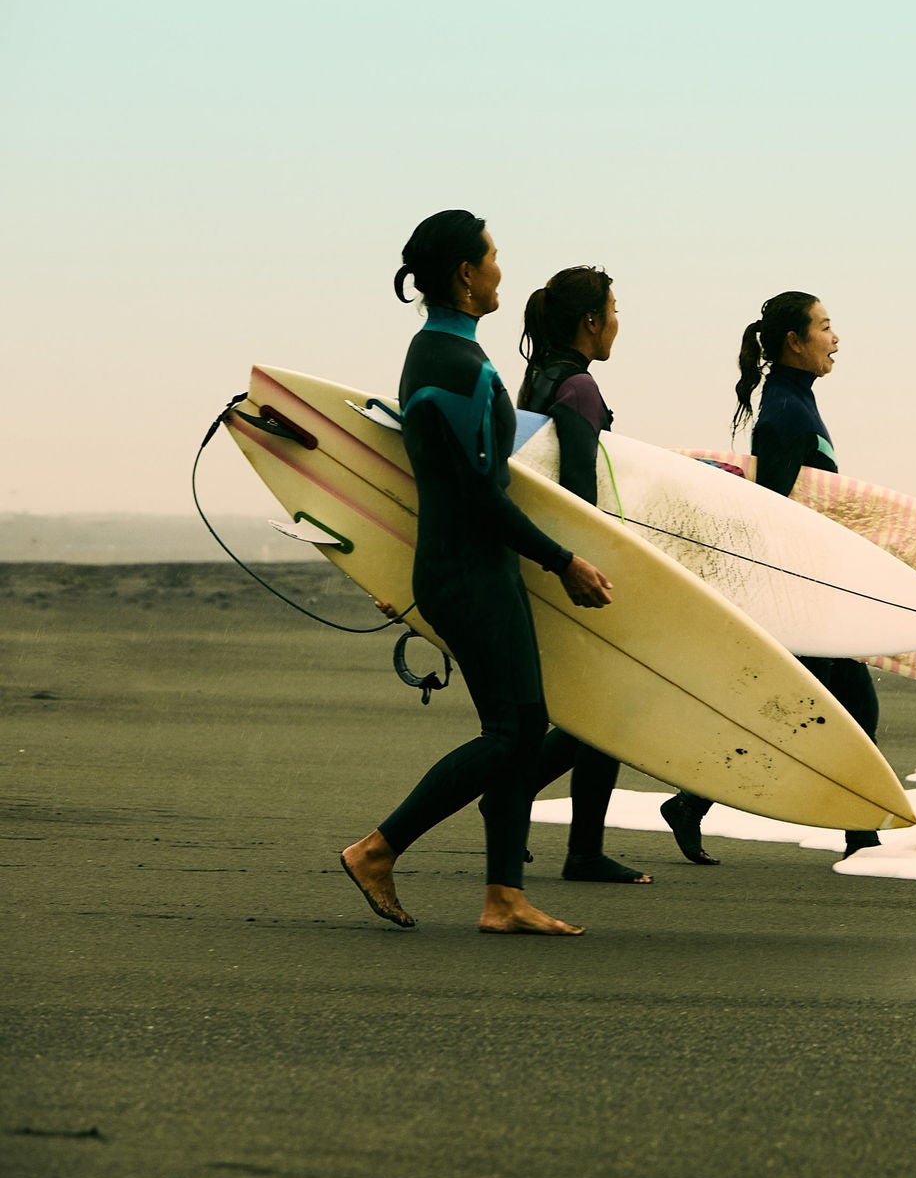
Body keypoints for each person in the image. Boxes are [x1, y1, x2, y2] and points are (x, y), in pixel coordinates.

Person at [338, 211, 612, 935]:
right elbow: (478, 496)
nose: (500, 271)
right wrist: (563, 560)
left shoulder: (443, 354)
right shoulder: (453, 367)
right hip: (467, 574)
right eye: (492, 257)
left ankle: (504, 897)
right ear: (466, 273)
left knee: (523, 724)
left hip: (474, 567)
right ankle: (377, 849)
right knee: (510, 732)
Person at [660, 292, 881, 864]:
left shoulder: (795, 400)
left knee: (846, 708)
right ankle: (695, 801)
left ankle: (860, 834)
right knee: (801, 712)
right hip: (799, 594)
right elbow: (772, 510)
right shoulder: (785, 411)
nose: (836, 339)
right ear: (794, 341)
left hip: (816, 588)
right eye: (825, 327)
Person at [513, 266, 651, 884]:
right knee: (605, 710)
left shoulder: (539, 377)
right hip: (572, 563)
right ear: (591, 321)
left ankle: (520, 803)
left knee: (586, 709)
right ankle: (578, 848)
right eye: (613, 311)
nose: (618, 323)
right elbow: (577, 488)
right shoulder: (579, 387)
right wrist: (587, 564)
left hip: (541, 555)